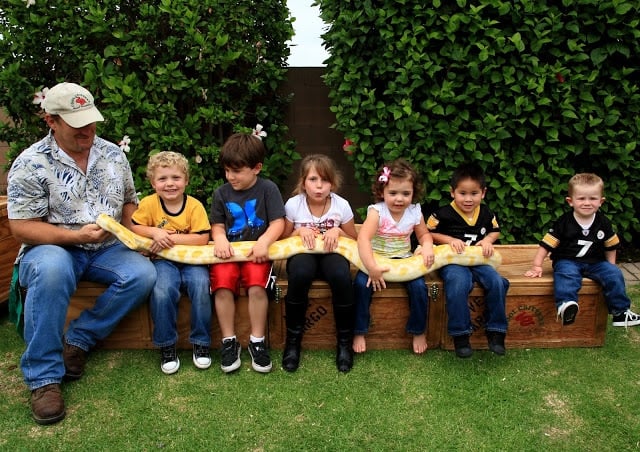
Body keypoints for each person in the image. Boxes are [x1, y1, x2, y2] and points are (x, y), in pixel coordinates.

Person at [7, 82, 157, 425]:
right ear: (51, 121)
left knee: (143, 274)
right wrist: (73, 237)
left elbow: (129, 202)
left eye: (90, 121)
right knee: (52, 270)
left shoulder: (113, 154)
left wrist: (135, 235)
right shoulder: (30, 163)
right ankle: (44, 379)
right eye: (77, 125)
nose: (87, 130)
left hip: (106, 248)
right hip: (53, 247)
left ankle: (77, 341)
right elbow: (21, 227)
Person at [209, 131, 285, 374]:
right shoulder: (221, 193)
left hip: (257, 253)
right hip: (227, 254)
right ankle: (229, 341)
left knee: (256, 285)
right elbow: (218, 224)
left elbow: (278, 222)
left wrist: (264, 241)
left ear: (256, 168)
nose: (231, 177)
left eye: (237, 171)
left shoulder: (268, 189)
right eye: (227, 170)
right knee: (221, 284)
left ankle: (257, 341)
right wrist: (219, 238)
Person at [130, 151, 212, 375]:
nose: (170, 184)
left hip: (192, 261)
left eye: (176, 178)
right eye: (163, 178)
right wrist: (155, 232)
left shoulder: (194, 206)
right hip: (163, 261)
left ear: (186, 180)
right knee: (162, 290)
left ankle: (201, 342)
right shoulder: (148, 204)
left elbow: (202, 238)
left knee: (201, 286)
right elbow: (135, 227)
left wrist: (169, 239)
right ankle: (167, 345)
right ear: (153, 182)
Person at [524, 173, 640, 327]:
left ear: (601, 201)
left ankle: (620, 312)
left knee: (614, 273)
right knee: (566, 274)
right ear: (570, 201)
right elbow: (547, 244)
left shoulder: (603, 222)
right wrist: (537, 265)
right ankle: (566, 305)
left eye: (592, 198)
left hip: (595, 262)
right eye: (581, 198)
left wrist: (611, 265)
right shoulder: (564, 222)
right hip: (568, 260)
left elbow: (610, 245)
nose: (587, 203)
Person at [280, 154, 358, 373]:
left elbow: (354, 239)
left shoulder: (341, 205)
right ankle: (292, 343)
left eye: (324, 180)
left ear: (332, 182)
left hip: (332, 253)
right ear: (303, 182)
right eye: (313, 179)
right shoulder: (294, 204)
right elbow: (283, 240)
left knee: (340, 276)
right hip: (302, 253)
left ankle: (344, 344)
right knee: (301, 273)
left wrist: (338, 230)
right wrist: (298, 230)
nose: (319, 186)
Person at [426, 162, 509, 358]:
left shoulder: (487, 213)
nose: (468, 199)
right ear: (452, 192)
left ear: (483, 192)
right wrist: (449, 240)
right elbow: (428, 234)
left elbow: (495, 231)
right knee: (458, 283)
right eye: (463, 193)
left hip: (480, 261)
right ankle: (460, 335)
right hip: (453, 263)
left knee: (497, 282)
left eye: (474, 193)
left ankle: (496, 332)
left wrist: (488, 240)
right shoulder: (442, 213)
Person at [353, 159, 435, 355]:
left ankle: (418, 330)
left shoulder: (415, 212)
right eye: (393, 193)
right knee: (360, 285)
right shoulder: (377, 212)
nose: (399, 199)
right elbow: (363, 239)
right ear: (382, 192)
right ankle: (359, 331)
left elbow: (424, 234)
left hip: (404, 259)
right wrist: (371, 267)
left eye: (406, 194)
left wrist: (428, 246)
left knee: (419, 288)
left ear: (413, 193)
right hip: (376, 258)